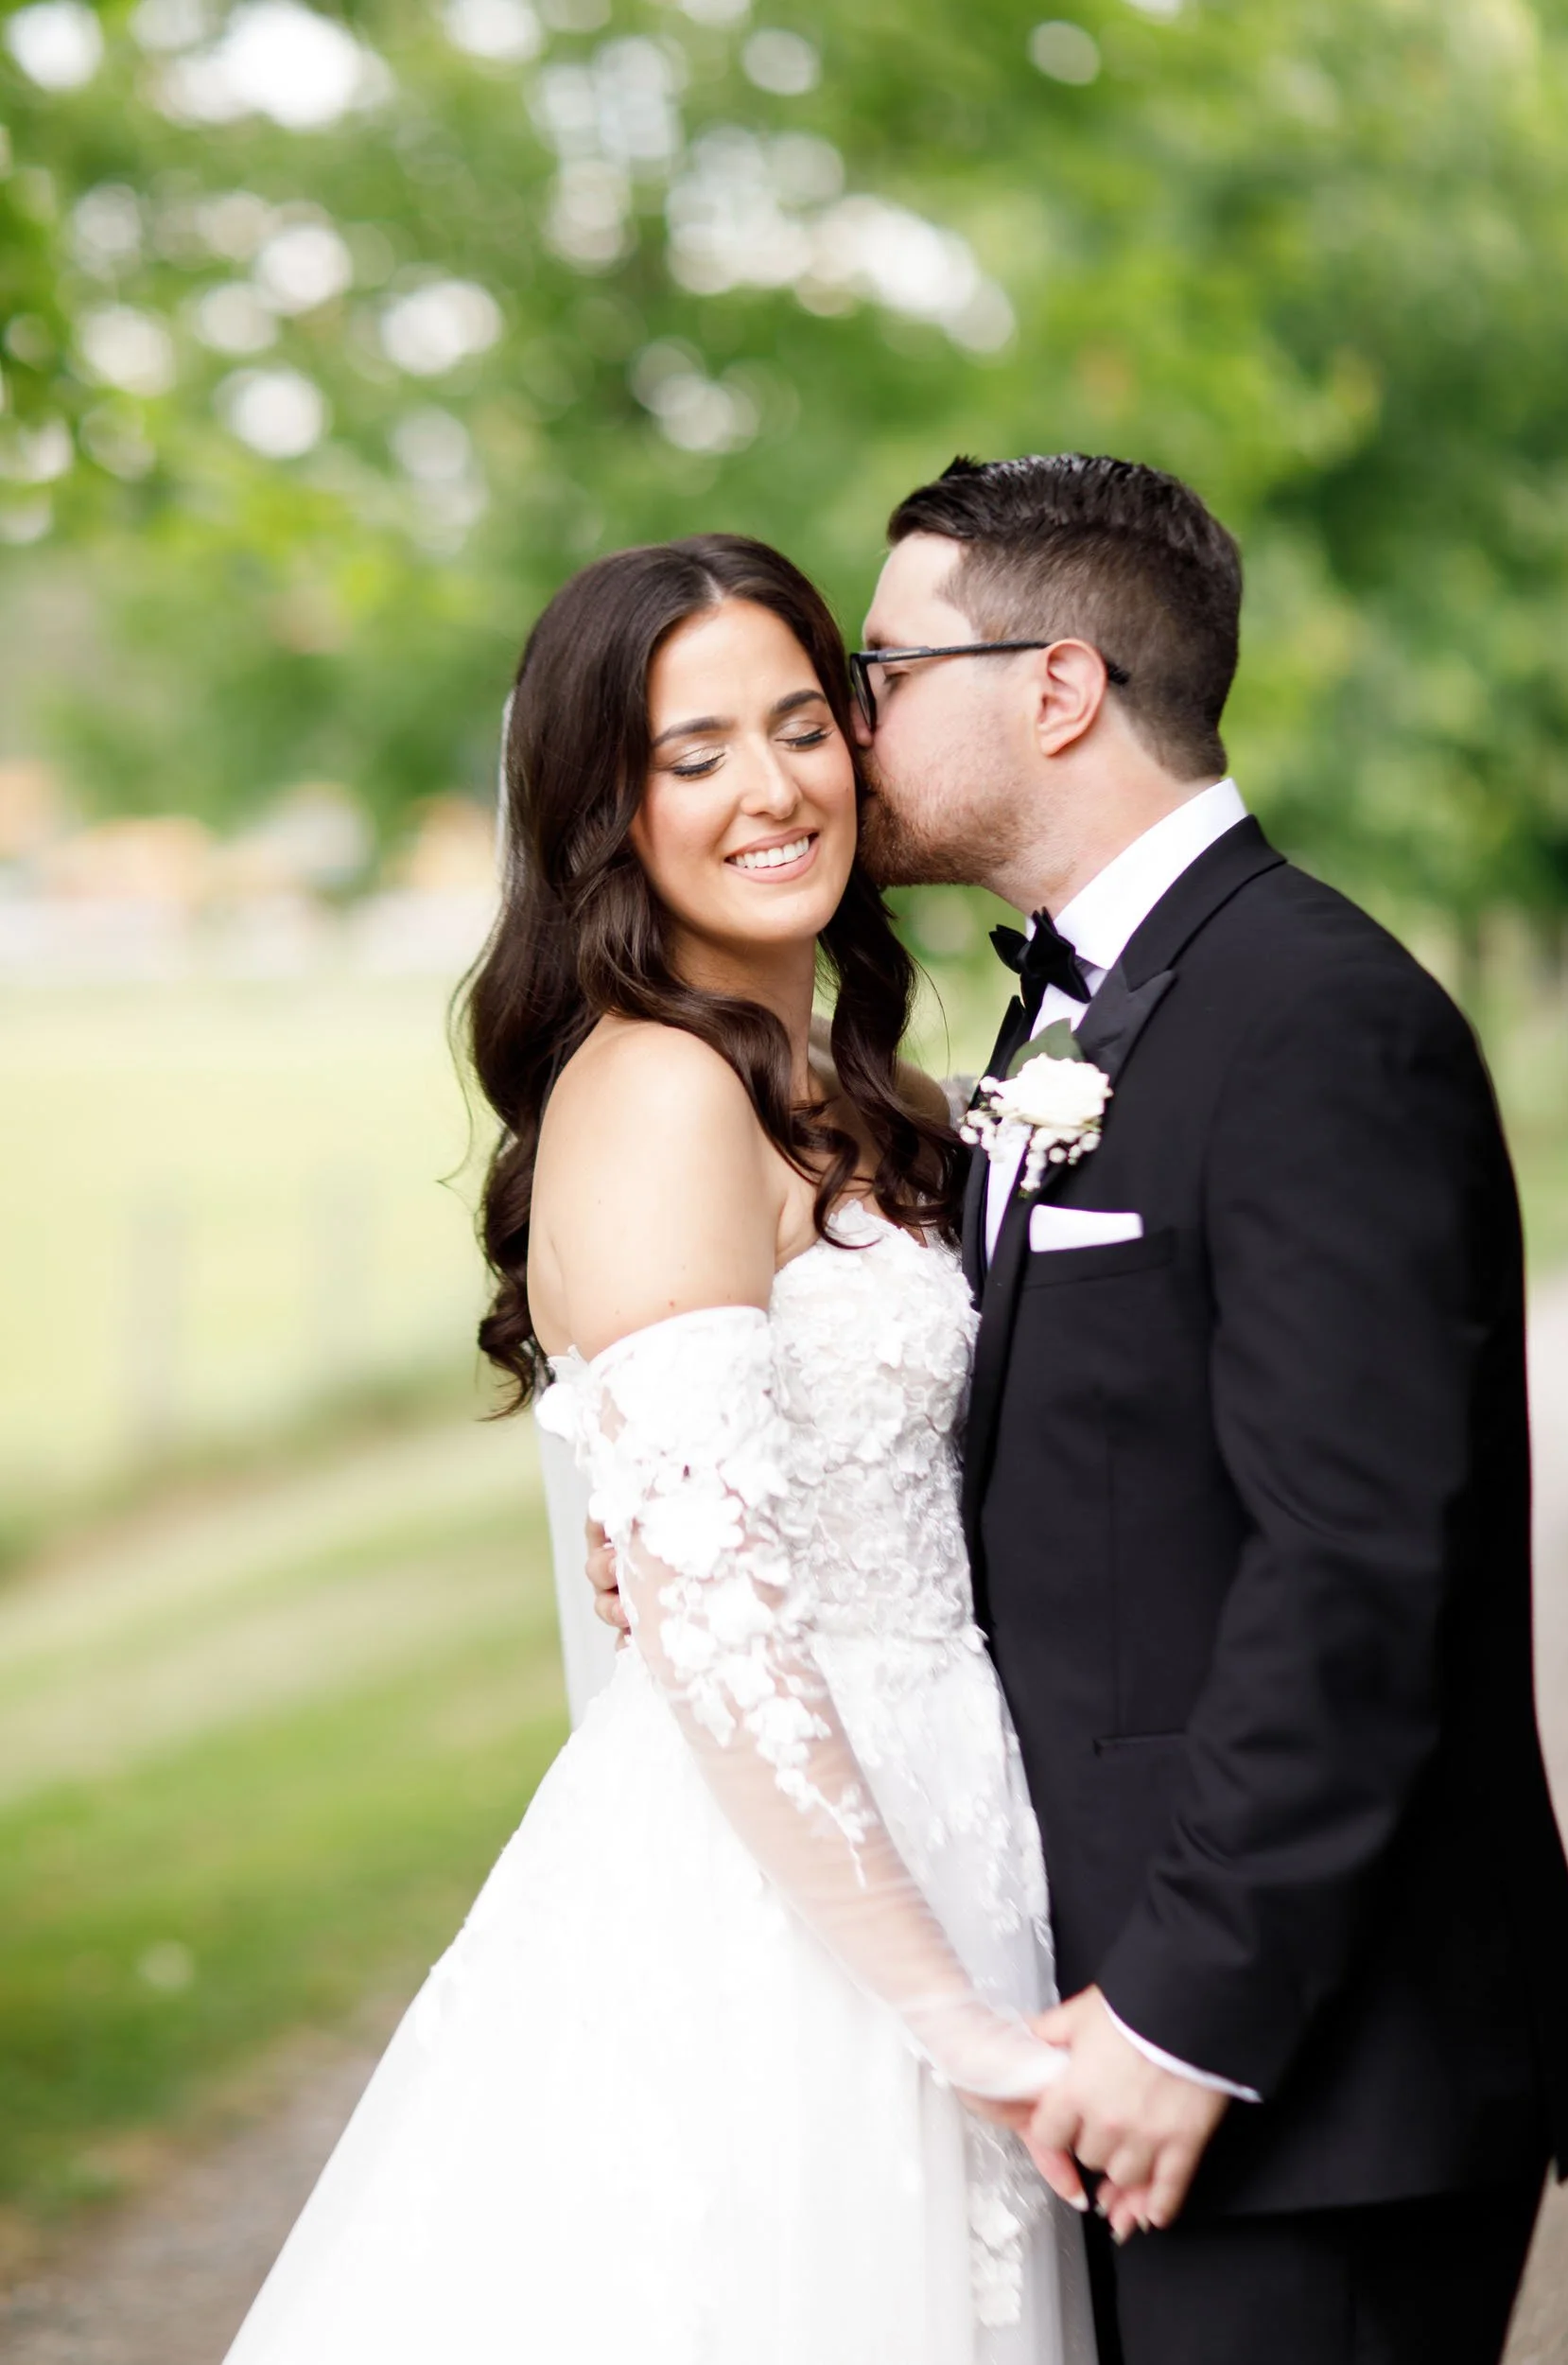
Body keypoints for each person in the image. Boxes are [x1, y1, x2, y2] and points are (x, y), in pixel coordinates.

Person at [589, 454, 1568, 2365]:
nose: (844, 732)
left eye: (870, 674)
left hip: (1296, 2073)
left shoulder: (1305, 1018)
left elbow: (1356, 1564)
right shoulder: (1075, 1024)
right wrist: (730, 1540)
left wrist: (1185, 2013)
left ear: (1051, 687)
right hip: (1104, 2033)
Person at [221, 533, 1098, 2365]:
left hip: (948, 1804)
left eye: (799, 724)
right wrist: (944, 2016)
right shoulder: (657, 1092)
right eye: (690, 754)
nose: (771, 787)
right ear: (601, 811)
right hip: (783, 1905)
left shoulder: (853, 1088)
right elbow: (715, 1622)